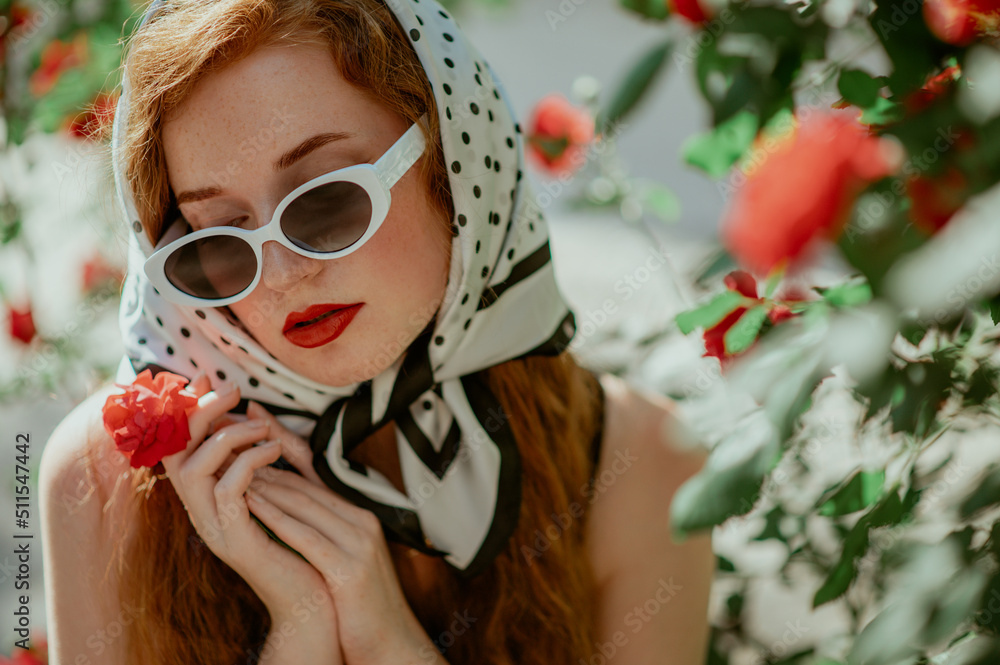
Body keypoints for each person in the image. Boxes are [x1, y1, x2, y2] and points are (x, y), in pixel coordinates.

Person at [39, 0, 714, 663]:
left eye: (327, 200)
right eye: (218, 240)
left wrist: (385, 634)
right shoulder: (105, 481)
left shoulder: (640, 461)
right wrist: (299, 629)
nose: (280, 275)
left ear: (454, 162)